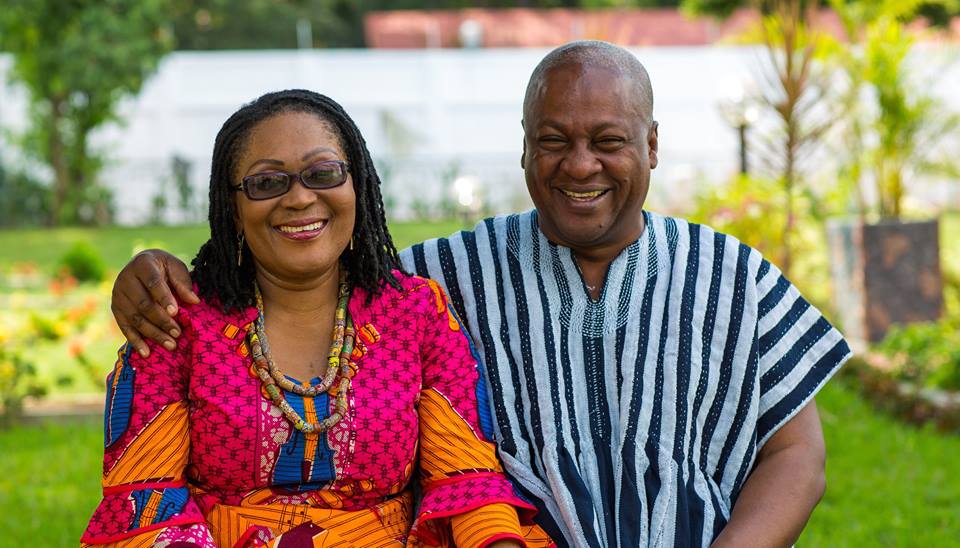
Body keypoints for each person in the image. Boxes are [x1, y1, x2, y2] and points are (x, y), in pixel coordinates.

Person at [110, 42, 851, 547]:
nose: (579, 164)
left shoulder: (734, 276)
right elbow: (312, 267)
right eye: (553, 139)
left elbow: (798, 456)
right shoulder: (439, 280)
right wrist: (147, 273)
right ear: (523, 145)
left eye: (609, 140)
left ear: (651, 145)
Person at [83, 89, 555, 548]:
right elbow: (144, 497)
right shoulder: (176, 320)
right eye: (267, 182)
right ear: (233, 207)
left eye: (323, 173)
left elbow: (465, 479)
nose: (300, 198)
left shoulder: (416, 312)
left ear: (358, 186)